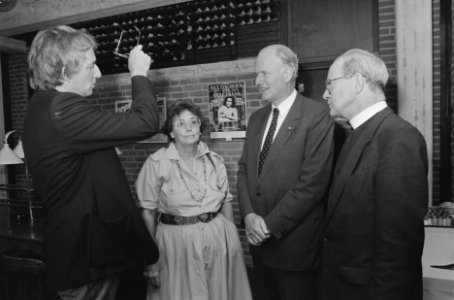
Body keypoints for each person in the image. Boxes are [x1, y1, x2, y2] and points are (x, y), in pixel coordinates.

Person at [22, 25, 159, 300]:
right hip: (87, 261)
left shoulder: (42, 105)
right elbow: (146, 122)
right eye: (90, 66)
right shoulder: (63, 109)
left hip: (88, 257)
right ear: (63, 72)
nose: (97, 74)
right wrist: (139, 73)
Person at [318, 48, 428, 300]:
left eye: (330, 84)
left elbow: (398, 253)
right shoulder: (357, 133)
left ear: (357, 82)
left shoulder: (398, 139)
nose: (325, 94)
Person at [237, 44, 335, 300]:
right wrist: (248, 216)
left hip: (294, 248)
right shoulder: (257, 119)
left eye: (264, 73)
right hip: (258, 247)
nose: (257, 81)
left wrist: (266, 226)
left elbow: (312, 184)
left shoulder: (317, 115)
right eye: (256, 74)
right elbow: (244, 170)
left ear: (289, 71)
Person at [136, 100, 252, 300]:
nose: (189, 128)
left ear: (200, 127)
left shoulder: (215, 161)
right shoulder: (156, 163)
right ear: (171, 133)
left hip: (217, 241)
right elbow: (147, 212)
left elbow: (226, 202)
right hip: (175, 246)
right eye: (180, 123)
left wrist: (233, 245)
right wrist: (151, 259)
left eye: (193, 122)